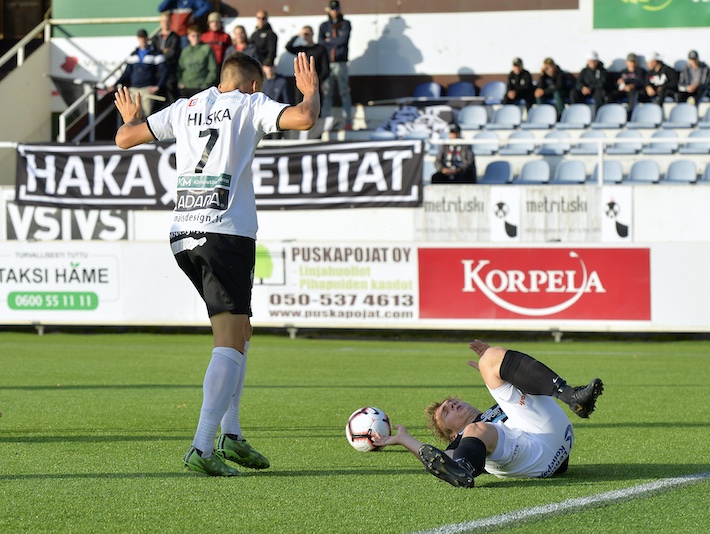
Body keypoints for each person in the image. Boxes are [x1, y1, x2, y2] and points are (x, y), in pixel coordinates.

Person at [113, 51, 320, 477]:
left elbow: (124, 139)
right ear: (253, 84)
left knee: (240, 330)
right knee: (229, 339)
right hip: (225, 233)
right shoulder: (251, 103)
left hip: (183, 234)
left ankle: (233, 433)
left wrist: (131, 119)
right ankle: (203, 445)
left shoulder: (186, 106)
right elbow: (304, 119)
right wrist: (311, 92)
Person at [373, 339, 603, 488]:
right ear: (452, 434)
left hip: (557, 444)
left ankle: (572, 396)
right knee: (477, 428)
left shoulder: (500, 410)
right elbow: (442, 459)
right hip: (528, 460)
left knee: (493, 361)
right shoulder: (466, 436)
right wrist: (404, 439)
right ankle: (465, 468)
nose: (452, 405)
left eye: (452, 402)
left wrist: (498, 369)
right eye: (446, 412)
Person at [108, 29, 168, 118]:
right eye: (140, 38)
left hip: (147, 89)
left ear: (147, 39)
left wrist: (158, 86)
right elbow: (126, 73)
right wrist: (115, 84)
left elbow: (165, 71)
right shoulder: (133, 55)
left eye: (144, 38)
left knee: (146, 116)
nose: (142, 40)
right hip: (134, 89)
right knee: (133, 116)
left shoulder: (156, 54)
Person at [319, 0, 354, 129]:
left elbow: (343, 41)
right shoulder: (324, 26)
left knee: (344, 92)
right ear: (329, 10)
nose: (334, 12)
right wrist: (334, 42)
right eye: (332, 9)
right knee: (327, 92)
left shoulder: (345, 24)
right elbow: (320, 42)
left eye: (336, 9)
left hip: (341, 62)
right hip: (328, 63)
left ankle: (348, 121)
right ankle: (324, 122)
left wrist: (329, 41)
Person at [286, 26, 330, 109]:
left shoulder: (320, 49)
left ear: (312, 34)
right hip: (301, 83)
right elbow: (288, 47)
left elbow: (326, 69)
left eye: (307, 34)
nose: (305, 36)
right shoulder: (301, 49)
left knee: (315, 108)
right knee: (300, 107)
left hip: (315, 84)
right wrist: (298, 35)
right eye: (303, 34)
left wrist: (317, 81)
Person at [151, 11, 182, 106]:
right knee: (158, 101)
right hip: (158, 73)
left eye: (167, 21)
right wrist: (164, 51)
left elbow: (173, 53)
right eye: (163, 21)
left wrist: (160, 53)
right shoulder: (156, 38)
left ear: (170, 22)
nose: (165, 23)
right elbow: (153, 53)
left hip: (170, 72)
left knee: (172, 99)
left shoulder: (174, 37)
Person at [176, 25, 217, 98]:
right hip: (186, 87)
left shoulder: (206, 49)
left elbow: (213, 69)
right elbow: (180, 68)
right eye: (193, 36)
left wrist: (205, 84)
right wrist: (180, 82)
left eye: (198, 35)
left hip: (200, 86)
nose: (195, 38)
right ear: (188, 37)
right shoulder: (185, 51)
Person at [608, 53, 647, 119]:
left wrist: (632, 86)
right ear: (626, 62)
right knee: (611, 96)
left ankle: (630, 115)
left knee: (633, 95)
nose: (632, 64)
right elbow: (616, 83)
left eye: (634, 62)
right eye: (630, 62)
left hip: (633, 91)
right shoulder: (623, 72)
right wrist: (619, 83)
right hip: (623, 91)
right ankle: (611, 114)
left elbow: (642, 82)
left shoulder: (640, 71)